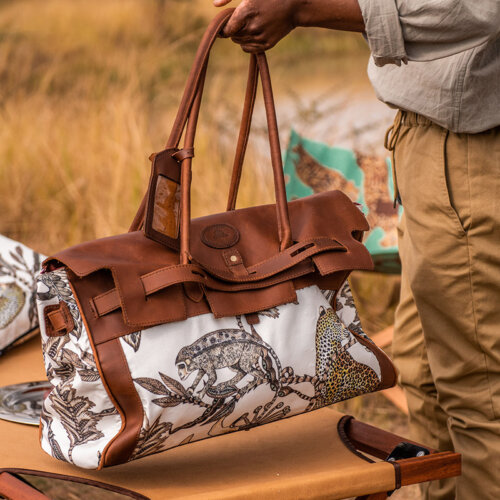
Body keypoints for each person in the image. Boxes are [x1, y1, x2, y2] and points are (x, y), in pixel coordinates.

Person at [211, 1, 500, 499]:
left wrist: (300, 7)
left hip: (468, 150)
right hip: (426, 143)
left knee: (478, 392)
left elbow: (476, 9)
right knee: (423, 371)